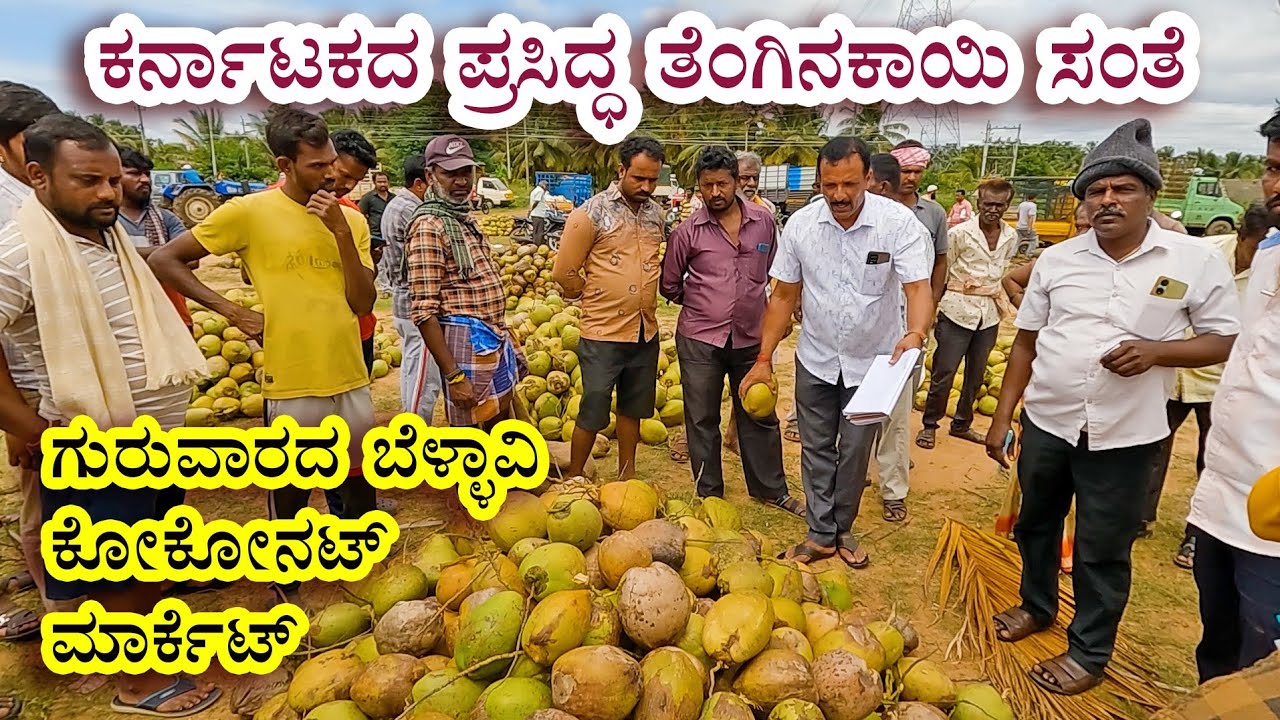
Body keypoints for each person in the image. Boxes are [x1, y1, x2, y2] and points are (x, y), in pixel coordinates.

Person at [984, 118, 1240, 696]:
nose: (1106, 200)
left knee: (1103, 547)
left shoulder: (1193, 261)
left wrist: (1157, 352)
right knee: (1035, 525)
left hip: (1126, 435)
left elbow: (1224, 337)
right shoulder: (1058, 260)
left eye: (1122, 188)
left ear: (1150, 194)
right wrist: (1002, 417)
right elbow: (1025, 342)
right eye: (1095, 191)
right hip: (1047, 421)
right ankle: (1036, 606)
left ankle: (1089, 651)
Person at [3, 114, 220, 716]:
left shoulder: (110, 238)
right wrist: (26, 427)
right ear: (39, 175)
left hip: (151, 436)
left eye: (112, 179)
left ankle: (153, 655)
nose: (106, 193)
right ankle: (136, 686)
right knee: (114, 570)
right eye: (87, 181)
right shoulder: (20, 253)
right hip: (92, 443)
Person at [150, 105, 379, 610]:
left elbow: (362, 302)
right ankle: (286, 581)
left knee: (360, 482)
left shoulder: (353, 220)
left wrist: (340, 231)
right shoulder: (247, 213)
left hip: (349, 371)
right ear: (284, 164)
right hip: (292, 376)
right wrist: (231, 310)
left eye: (332, 162)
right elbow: (164, 259)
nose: (331, 175)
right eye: (317, 166)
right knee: (293, 488)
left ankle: (360, 566)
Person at [741, 136, 933, 568]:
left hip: (875, 362)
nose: (839, 195)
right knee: (815, 446)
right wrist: (763, 358)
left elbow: (917, 286)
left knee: (855, 448)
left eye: (849, 184)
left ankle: (842, 528)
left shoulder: (897, 225)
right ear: (819, 181)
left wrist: (916, 333)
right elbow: (784, 296)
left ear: (868, 178)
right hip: (817, 356)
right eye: (830, 186)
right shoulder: (802, 226)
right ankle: (819, 532)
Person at [1185, 111, 1280, 684]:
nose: (1276, 185)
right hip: (1224, 495)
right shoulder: (1268, 252)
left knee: (1265, 664)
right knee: (1218, 643)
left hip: (1274, 517)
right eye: (1272, 169)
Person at [660, 146, 801, 517]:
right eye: (707, 186)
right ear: (699, 187)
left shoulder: (764, 222)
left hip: (751, 338)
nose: (715, 193)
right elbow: (670, 285)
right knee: (701, 417)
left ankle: (771, 490)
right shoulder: (687, 232)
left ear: (737, 182)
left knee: (758, 413)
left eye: (722, 183)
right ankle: (710, 494)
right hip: (700, 339)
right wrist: (705, 300)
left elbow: (777, 272)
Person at [1145, 204, 1273, 569]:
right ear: (1243, 236)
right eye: (1255, 247)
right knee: (1152, 446)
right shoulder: (1204, 254)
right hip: (1174, 368)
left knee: (1212, 457)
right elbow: (1161, 291)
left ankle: (1196, 537)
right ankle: (1140, 517)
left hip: (1222, 381)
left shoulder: (1273, 272)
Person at [553, 136, 667, 480]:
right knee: (593, 407)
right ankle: (575, 477)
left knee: (634, 408)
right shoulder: (590, 214)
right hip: (602, 332)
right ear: (621, 171)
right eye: (639, 178)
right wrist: (594, 297)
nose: (646, 186)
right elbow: (564, 271)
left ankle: (626, 476)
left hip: (644, 331)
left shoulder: (657, 215)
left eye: (652, 179)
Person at [0, 84, 59, 707]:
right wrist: (20, 419)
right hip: (37, 399)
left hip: (55, 399)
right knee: (48, 512)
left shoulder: (42, 198)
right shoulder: (10, 214)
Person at [406, 134, 524, 430]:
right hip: (465, 345)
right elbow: (424, 312)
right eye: (450, 174)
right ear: (431, 175)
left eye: (466, 172)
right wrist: (454, 375)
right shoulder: (429, 226)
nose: (461, 181)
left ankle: (499, 474)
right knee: (471, 428)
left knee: (496, 418)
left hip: (489, 339)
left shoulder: (460, 218)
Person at [917, 178, 1019, 451]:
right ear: (978, 203)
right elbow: (943, 270)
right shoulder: (959, 234)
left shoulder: (1011, 236)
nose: (993, 210)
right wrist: (934, 308)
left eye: (1000, 205)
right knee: (945, 370)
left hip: (989, 313)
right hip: (957, 308)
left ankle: (962, 423)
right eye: (988, 204)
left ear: (1008, 205)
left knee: (976, 372)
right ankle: (930, 424)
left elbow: (1003, 268)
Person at [864, 152, 925, 522]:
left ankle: (893, 491)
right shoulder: (849, 225)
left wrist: (917, 332)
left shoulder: (908, 228)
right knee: (853, 417)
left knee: (895, 421)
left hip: (898, 340)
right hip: (856, 341)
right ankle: (853, 480)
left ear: (879, 186)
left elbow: (923, 285)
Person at [382, 153, 440, 425]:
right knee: (424, 378)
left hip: (403, 300)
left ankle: (411, 421)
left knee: (412, 369)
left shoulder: (397, 205)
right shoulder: (411, 210)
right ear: (421, 183)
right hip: (417, 304)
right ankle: (415, 431)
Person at [114, 145, 194, 329]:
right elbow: (105, 259)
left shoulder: (166, 218)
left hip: (172, 312)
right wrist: (170, 256)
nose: (144, 179)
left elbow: (192, 260)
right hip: (126, 317)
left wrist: (124, 253)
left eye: (147, 173)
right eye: (134, 173)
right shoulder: (106, 221)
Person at [891, 141, 949, 316]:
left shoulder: (934, 212)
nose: (911, 178)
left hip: (917, 303)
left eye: (917, 172)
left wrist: (932, 303)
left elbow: (940, 262)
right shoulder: (878, 210)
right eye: (906, 171)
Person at [1002, 204, 1092, 308]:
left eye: (1091, 228)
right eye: (1079, 227)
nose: (1082, 235)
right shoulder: (1056, 259)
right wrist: (1029, 312)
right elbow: (1011, 281)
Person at [735, 150, 776, 215]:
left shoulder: (768, 208)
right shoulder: (720, 208)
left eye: (755, 178)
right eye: (745, 178)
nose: (752, 183)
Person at [529, 179, 550, 245]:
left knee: (536, 230)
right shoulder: (540, 191)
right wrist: (531, 209)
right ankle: (537, 244)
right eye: (546, 186)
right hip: (538, 214)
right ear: (543, 185)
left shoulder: (536, 190)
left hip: (537, 213)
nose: (547, 187)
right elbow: (537, 201)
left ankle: (536, 243)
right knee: (539, 231)